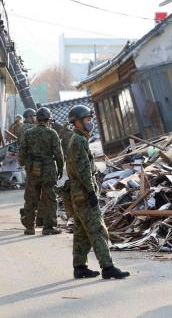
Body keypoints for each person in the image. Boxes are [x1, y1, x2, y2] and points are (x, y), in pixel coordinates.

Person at [65, 105, 129, 279]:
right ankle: (107, 267)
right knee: (97, 230)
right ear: (77, 122)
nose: (90, 123)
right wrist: (91, 192)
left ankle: (79, 267)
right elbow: (83, 170)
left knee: (81, 232)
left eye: (90, 119)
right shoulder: (78, 141)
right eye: (87, 120)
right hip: (84, 193)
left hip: (78, 194)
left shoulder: (77, 139)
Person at [18, 107, 63, 235]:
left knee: (31, 198)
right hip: (48, 168)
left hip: (33, 168)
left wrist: (25, 165)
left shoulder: (28, 133)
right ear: (48, 120)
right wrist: (60, 167)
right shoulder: (52, 133)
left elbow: (21, 152)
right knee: (50, 198)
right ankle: (49, 227)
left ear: (37, 119)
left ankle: (30, 227)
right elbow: (59, 154)